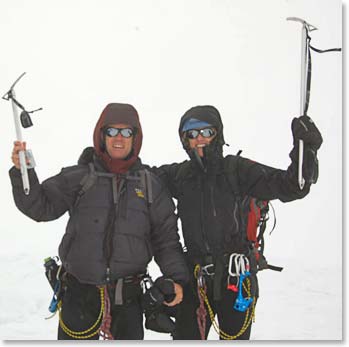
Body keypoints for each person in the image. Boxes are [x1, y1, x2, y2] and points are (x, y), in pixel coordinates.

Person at [9, 103, 189, 340]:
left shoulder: (150, 186)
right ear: (101, 135)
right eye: (112, 131)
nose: (119, 138)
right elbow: (40, 206)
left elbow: (166, 241)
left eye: (127, 132)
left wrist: (177, 280)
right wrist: (24, 172)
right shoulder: (80, 177)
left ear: (135, 138)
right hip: (79, 297)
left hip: (128, 302)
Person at [149, 105, 323, 340]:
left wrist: (306, 148)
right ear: (184, 140)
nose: (199, 139)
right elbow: (140, 177)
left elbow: (292, 185)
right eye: (191, 134)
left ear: (217, 134)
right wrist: (98, 162)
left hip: (236, 278)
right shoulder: (180, 175)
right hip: (195, 279)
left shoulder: (236, 170)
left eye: (206, 132)